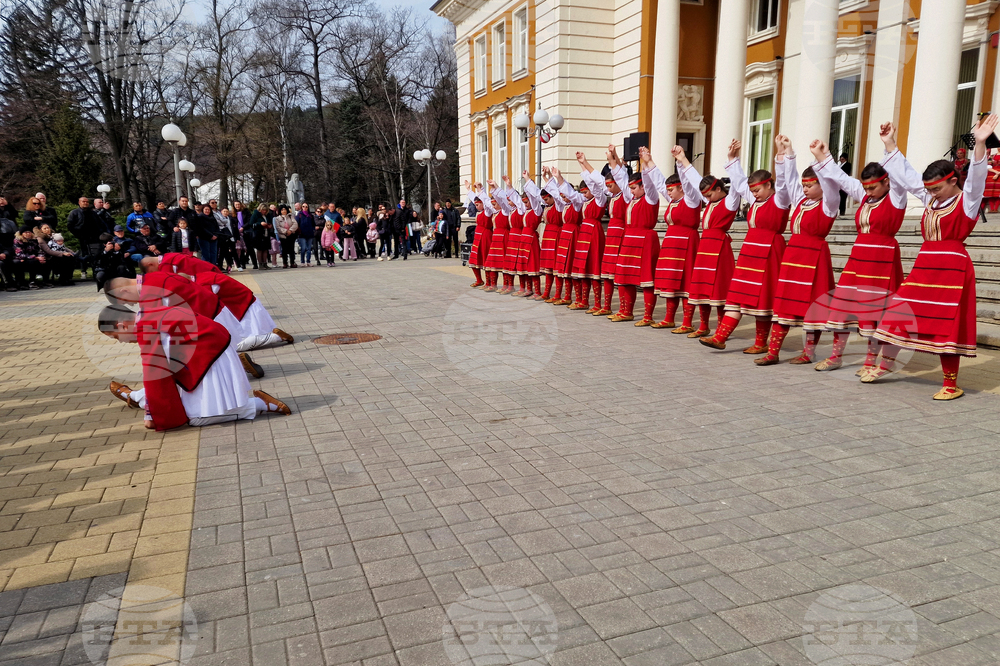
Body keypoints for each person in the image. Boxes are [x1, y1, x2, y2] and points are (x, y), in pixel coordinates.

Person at [870, 113, 997, 400]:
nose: (932, 195)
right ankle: (884, 365)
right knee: (898, 311)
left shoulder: (968, 201)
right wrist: (890, 144)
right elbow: (907, 175)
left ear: (953, 181)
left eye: (937, 189)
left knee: (946, 324)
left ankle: (951, 384)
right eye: (929, 190)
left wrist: (980, 144)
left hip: (952, 268)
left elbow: (977, 176)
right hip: (925, 265)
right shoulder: (931, 197)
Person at [100, 304, 290, 431]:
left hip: (210, 359)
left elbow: (154, 377)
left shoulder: (146, 330)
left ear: (122, 326)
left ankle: (259, 405)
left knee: (194, 418)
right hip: (209, 353)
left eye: (115, 336)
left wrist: (154, 417)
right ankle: (135, 396)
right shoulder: (148, 314)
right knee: (172, 398)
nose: (120, 342)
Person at [810, 124, 906, 375]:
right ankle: (835, 356)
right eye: (865, 188)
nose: (868, 192)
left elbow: (899, 173)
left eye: (873, 187)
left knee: (875, 310)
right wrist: (822, 157)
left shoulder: (896, 196)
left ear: (887, 182)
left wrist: (889, 144)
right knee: (842, 306)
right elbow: (842, 179)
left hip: (881, 258)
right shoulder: (864, 196)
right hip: (858, 256)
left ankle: (870, 361)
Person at [752, 135, 839, 366]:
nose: (805, 189)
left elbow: (832, 187)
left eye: (811, 185)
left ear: (822, 185)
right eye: (805, 185)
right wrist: (786, 154)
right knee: (784, 304)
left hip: (815, 257)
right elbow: (787, 181)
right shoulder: (801, 201)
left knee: (813, 308)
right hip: (793, 256)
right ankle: (773, 351)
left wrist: (822, 160)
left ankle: (809, 353)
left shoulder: (829, 204)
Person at [700, 136, 790, 352]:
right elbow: (740, 183)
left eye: (758, 190)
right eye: (753, 191)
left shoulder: (779, 199)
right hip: (751, 251)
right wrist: (732, 159)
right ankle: (720, 337)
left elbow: (786, 181)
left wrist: (780, 155)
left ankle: (760, 343)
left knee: (764, 297)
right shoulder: (758, 199)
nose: (754, 195)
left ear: (769, 185)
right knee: (738, 293)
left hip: (770, 250)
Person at [685, 141, 743, 337]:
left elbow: (737, 184)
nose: (707, 199)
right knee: (701, 286)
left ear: (718, 188)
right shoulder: (711, 200)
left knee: (719, 288)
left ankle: (720, 326)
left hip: (719, 247)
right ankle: (703, 326)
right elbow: (695, 180)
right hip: (705, 247)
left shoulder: (730, 200)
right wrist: (683, 160)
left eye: (709, 194)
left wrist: (733, 159)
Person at [646, 146, 703, 330]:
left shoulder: (691, 198)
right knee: (670, 281)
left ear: (681, 188)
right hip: (672, 245)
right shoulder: (673, 201)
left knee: (686, 281)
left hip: (686, 243)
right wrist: (648, 162)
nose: (668, 192)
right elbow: (659, 181)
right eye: (668, 190)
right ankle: (669, 318)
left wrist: (681, 161)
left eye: (672, 189)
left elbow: (688, 183)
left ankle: (687, 322)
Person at [610, 151, 661, 322]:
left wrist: (647, 163)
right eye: (630, 188)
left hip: (645, 240)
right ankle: (626, 311)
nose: (630, 191)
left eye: (634, 188)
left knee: (647, 279)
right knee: (625, 277)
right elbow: (621, 179)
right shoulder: (631, 199)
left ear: (643, 187)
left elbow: (650, 183)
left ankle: (648, 316)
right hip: (629, 240)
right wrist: (612, 159)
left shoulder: (651, 198)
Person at [189, 270, 295, 351]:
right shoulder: (201, 276)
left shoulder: (203, 285)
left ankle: (275, 337)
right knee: (248, 334)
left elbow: (208, 307)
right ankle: (274, 335)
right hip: (244, 302)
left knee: (237, 343)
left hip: (244, 305)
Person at [570, 152, 608, 312]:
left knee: (594, 270)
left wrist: (585, 163)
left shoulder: (600, 199)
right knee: (582, 270)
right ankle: (583, 301)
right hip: (584, 234)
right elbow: (569, 193)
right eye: (583, 192)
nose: (584, 195)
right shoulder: (584, 201)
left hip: (594, 234)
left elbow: (595, 187)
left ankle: (598, 304)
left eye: (586, 192)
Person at [595, 147, 629, 317]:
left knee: (620, 273)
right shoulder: (613, 197)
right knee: (607, 272)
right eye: (606, 185)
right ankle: (607, 305)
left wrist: (613, 159)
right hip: (612, 235)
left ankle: (624, 309)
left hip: (622, 234)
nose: (607, 189)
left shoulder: (625, 195)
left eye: (610, 185)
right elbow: (597, 180)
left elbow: (622, 176)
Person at [549, 169, 582, 305]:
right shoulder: (565, 205)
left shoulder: (576, 203)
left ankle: (579, 298)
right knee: (563, 267)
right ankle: (566, 296)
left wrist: (560, 178)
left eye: (565, 195)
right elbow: (556, 196)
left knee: (572, 267)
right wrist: (549, 179)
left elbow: (570, 195)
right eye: (562, 196)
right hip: (565, 236)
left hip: (573, 235)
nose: (563, 198)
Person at [538, 167, 565, 300]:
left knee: (556, 267)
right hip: (548, 236)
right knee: (548, 267)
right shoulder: (547, 207)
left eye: (547, 199)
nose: (545, 202)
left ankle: (558, 294)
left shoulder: (559, 205)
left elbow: (556, 192)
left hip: (557, 236)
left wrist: (547, 177)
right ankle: (547, 292)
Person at [518, 172, 544, 299]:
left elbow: (534, 200)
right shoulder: (525, 211)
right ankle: (528, 289)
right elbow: (515, 202)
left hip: (531, 240)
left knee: (533, 264)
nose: (525, 204)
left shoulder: (536, 210)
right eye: (524, 202)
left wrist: (527, 180)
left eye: (527, 201)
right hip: (524, 240)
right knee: (525, 265)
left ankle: (538, 291)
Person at [67, 197, 105, 280]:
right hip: (81, 238)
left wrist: (100, 234)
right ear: (79, 202)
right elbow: (70, 225)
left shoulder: (93, 213)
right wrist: (77, 235)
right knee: (84, 255)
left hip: (94, 238)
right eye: (83, 201)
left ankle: (95, 272)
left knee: (95, 255)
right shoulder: (74, 212)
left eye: (87, 202)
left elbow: (100, 224)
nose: (85, 203)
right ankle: (83, 271)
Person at [465, 181, 494, 287]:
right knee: (474, 258)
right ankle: (479, 280)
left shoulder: (487, 211)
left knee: (486, 259)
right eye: (475, 205)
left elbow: (485, 200)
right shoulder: (480, 211)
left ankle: (489, 282)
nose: (476, 206)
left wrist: (480, 190)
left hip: (486, 236)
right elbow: (475, 199)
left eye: (478, 205)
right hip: (478, 236)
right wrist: (469, 190)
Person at [483, 181, 511, 292]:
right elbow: (486, 202)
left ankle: (506, 285)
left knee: (504, 262)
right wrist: (481, 190)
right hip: (496, 238)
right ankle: (493, 284)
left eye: (495, 204)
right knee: (492, 261)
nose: (493, 206)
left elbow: (503, 201)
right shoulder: (496, 212)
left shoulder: (505, 211)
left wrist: (497, 189)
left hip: (504, 237)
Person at [250, 204, 272, 270]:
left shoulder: (267, 215)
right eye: (263, 210)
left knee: (265, 249)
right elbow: (251, 224)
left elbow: (270, 221)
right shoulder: (255, 214)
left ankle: (265, 263)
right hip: (258, 234)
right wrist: (260, 224)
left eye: (265, 210)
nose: (264, 211)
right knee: (259, 249)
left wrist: (269, 225)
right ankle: (260, 264)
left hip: (266, 233)